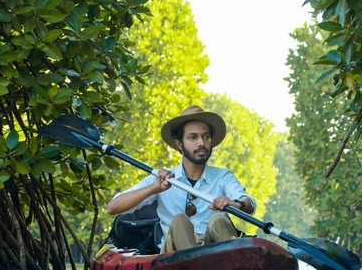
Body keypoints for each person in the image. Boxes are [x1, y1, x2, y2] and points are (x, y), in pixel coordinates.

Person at [106, 105, 255, 252]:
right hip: (173, 259)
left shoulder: (222, 176)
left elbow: (248, 202)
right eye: (193, 137)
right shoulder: (163, 178)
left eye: (206, 136)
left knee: (218, 219)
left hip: (213, 257)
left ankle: (237, 268)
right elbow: (113, 207)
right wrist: (153, 188)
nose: (201, 143)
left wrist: (236, 204)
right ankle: (194, 269)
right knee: (179, 220)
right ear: (179, 144)